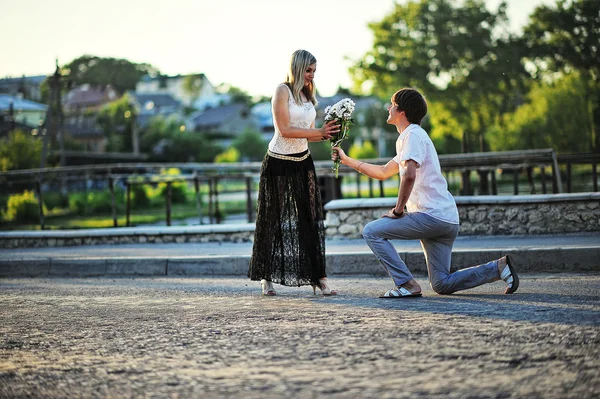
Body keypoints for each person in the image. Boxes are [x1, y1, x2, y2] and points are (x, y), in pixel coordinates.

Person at [332, 88, 519, 298]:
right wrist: (346, 160)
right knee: (441, 284)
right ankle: (498, 268)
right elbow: (383, 172)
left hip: (430, 216)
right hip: (445, 220)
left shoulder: (412, 135)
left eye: (392, 104)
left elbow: (409, 176)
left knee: (372, 231)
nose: (388, 108)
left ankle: (406, 284)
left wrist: (398, 210)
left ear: (402, 111)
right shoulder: (412, 137)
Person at [248, 49, 340, 296]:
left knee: (310, 219)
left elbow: (308, 133)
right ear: (297, 68)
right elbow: (286, 129)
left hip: (303, 161)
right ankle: (266, 276)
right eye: (308, 70)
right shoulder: (282, 91)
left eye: (314, 71)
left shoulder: (308, 95)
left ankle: (318, 277)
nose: (311, 76)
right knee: (272, 218)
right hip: (278, 161)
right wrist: (319, 132)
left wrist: (331, 135)